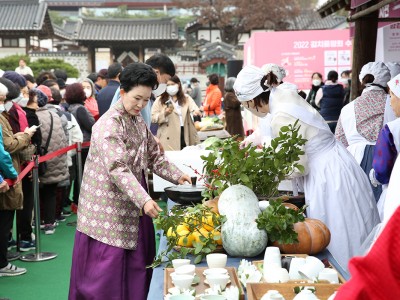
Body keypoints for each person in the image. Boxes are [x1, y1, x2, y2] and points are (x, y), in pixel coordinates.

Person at [233, 64, 380, 271]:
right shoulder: (283, 93)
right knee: (355, 224)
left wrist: (268, 166)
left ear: (250, 100)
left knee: (338, 233)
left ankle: (345, 280)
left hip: (327, 176)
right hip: (339, 163)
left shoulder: (280, 116)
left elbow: (297, 167)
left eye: (243, 104)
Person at [69, 62, 191, 300]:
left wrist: (179, 175)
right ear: (122, 92)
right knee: (105, 281)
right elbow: (117, 169)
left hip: (133, 203)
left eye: (146, 100)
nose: (141, 105)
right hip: (106, 211)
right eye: (137, 98)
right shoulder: (108, 124)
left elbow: (154, 157)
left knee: (136, 271)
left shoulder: (136, 121)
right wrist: (145, 200)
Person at [335, 62, 391, 202]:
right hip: (389, 159)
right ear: (387, 82)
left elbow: (340, 141)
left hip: (355, 162)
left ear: (362, 80)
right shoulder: (393, 103)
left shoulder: (347, 108)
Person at [0, 81, 36, 276]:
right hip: (6, 176)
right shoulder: (3, 117)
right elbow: (5, 148)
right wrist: (25, 136)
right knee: (4, 222)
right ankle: (2, 263)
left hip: (7, 173)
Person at [36, 87, 69, 234]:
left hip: (38, 161)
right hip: (55, 159)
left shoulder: (31, 116)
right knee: (51, 193)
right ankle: (50, 223)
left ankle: (38, 221)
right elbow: (63, 139)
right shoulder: (55, 115)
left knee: (37, 193)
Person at [369, 73, 400, 220]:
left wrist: (374, 176)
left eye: (392, 96)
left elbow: (382, 171)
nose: (390, 102)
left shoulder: (391, 129)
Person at [151, 75, 201, 150]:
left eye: (172, 84)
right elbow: (153, 118)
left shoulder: (186, 98)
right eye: (168, 85)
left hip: (185, 132)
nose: (170, 87)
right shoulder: (160, 100)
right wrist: (164, 113)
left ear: (178, 84)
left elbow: (194, 108)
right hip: (167, 135)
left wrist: (196, 112)